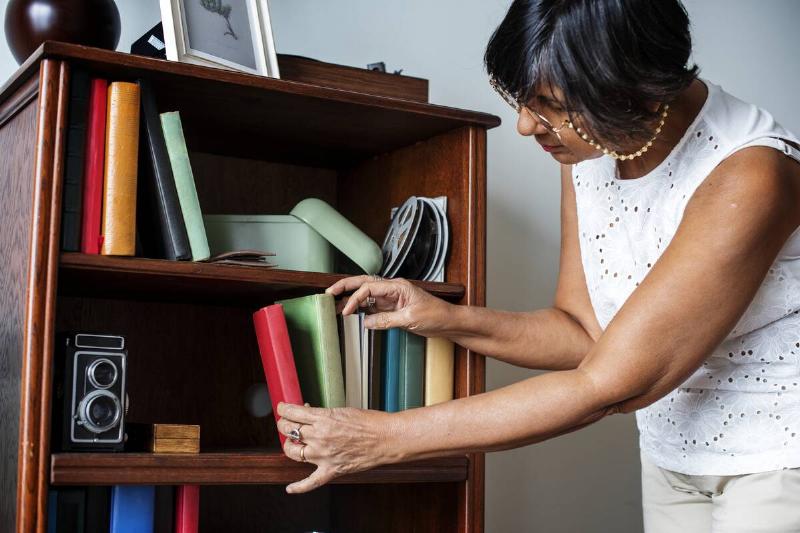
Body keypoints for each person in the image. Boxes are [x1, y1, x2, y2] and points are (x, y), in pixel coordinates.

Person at [275, 1, 800, 530]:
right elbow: (583, 332)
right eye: (522, 99)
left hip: (779, 460)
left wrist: (383, 438)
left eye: (548, 104)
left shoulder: (751, 176)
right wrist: (446, 318)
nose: (526, 125)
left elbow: (607, 384)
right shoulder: (594, 147)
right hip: (672, 456)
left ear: (629, 88)